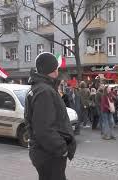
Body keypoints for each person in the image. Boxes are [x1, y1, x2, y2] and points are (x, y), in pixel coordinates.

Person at [25, 52, 76, 180]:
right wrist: (62, 149)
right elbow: (44, 129)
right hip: (50, 154)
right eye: (57, 68)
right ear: (53, 69)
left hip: (44, 152)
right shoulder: (44, 91)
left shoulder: (37, 88)